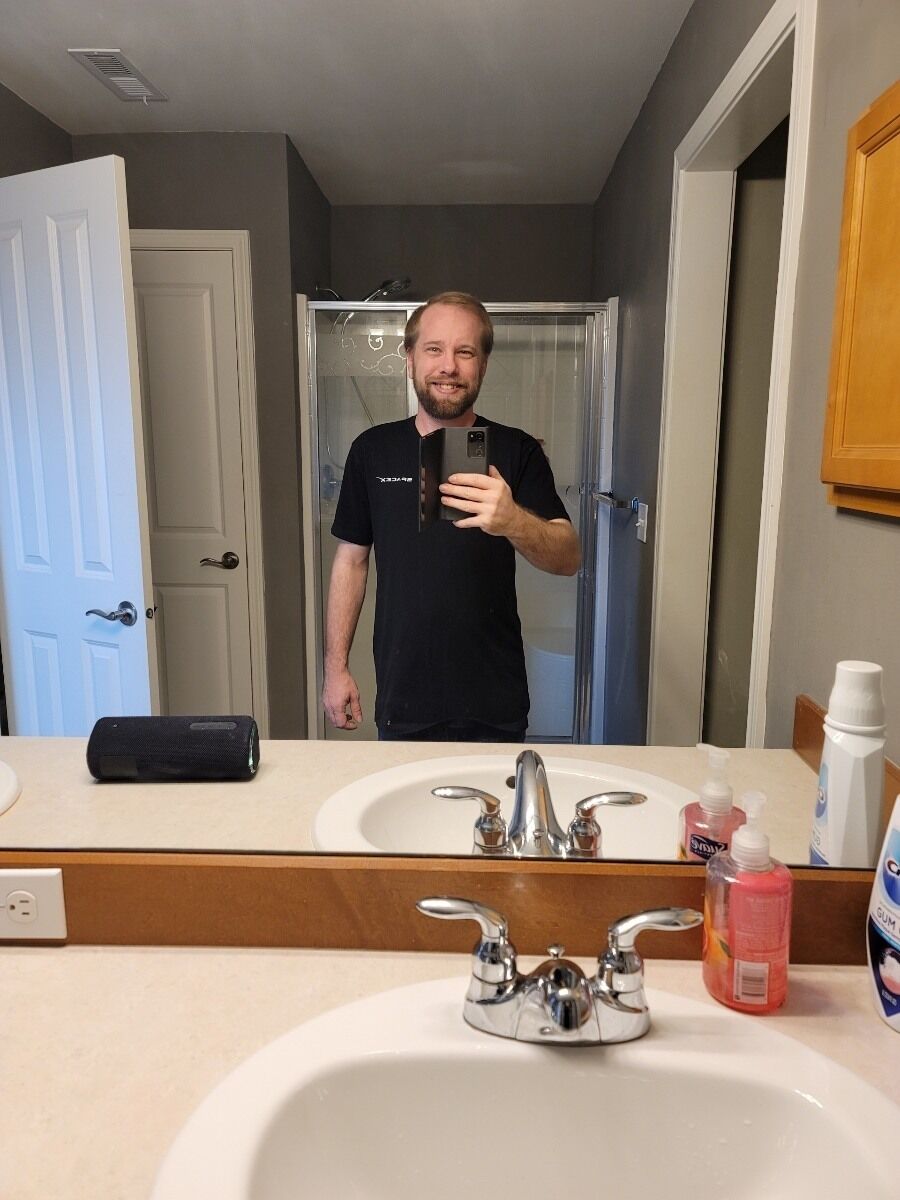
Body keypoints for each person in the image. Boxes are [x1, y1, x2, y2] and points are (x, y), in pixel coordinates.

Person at [322, 291, 581, 741]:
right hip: (403, 696)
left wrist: (513, 521)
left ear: (483, 365)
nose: (449, 366)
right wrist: (335, 667)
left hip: (493, 698)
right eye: (434, 349)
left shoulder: (517, 450)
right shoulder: (372, 450)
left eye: (465, 352)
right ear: (410, 359)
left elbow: (568, 559)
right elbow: (351, 560)